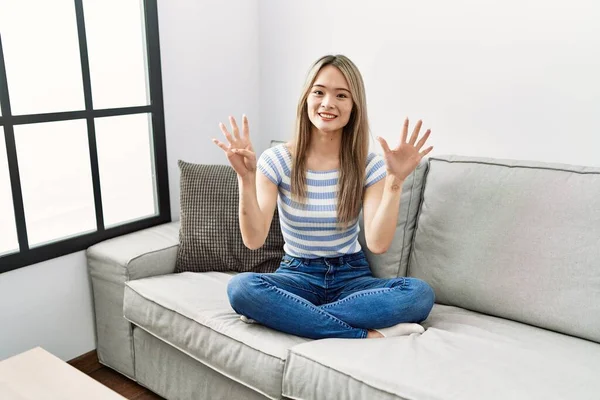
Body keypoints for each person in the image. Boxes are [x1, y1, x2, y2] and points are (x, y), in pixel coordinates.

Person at [212, 54, 435, 339]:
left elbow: (378, 243)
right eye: (319, 92)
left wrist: (395, 180)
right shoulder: (277, 160)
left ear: (354, 106)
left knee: (418, 295)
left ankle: (292, 315)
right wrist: (246, 177)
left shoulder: (369, 165)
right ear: (306, 98)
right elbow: (254, 240)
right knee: (241, 289)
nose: (328, 103)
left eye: (341, 95)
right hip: (297, 274)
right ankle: (365, 335)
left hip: (351, 276)